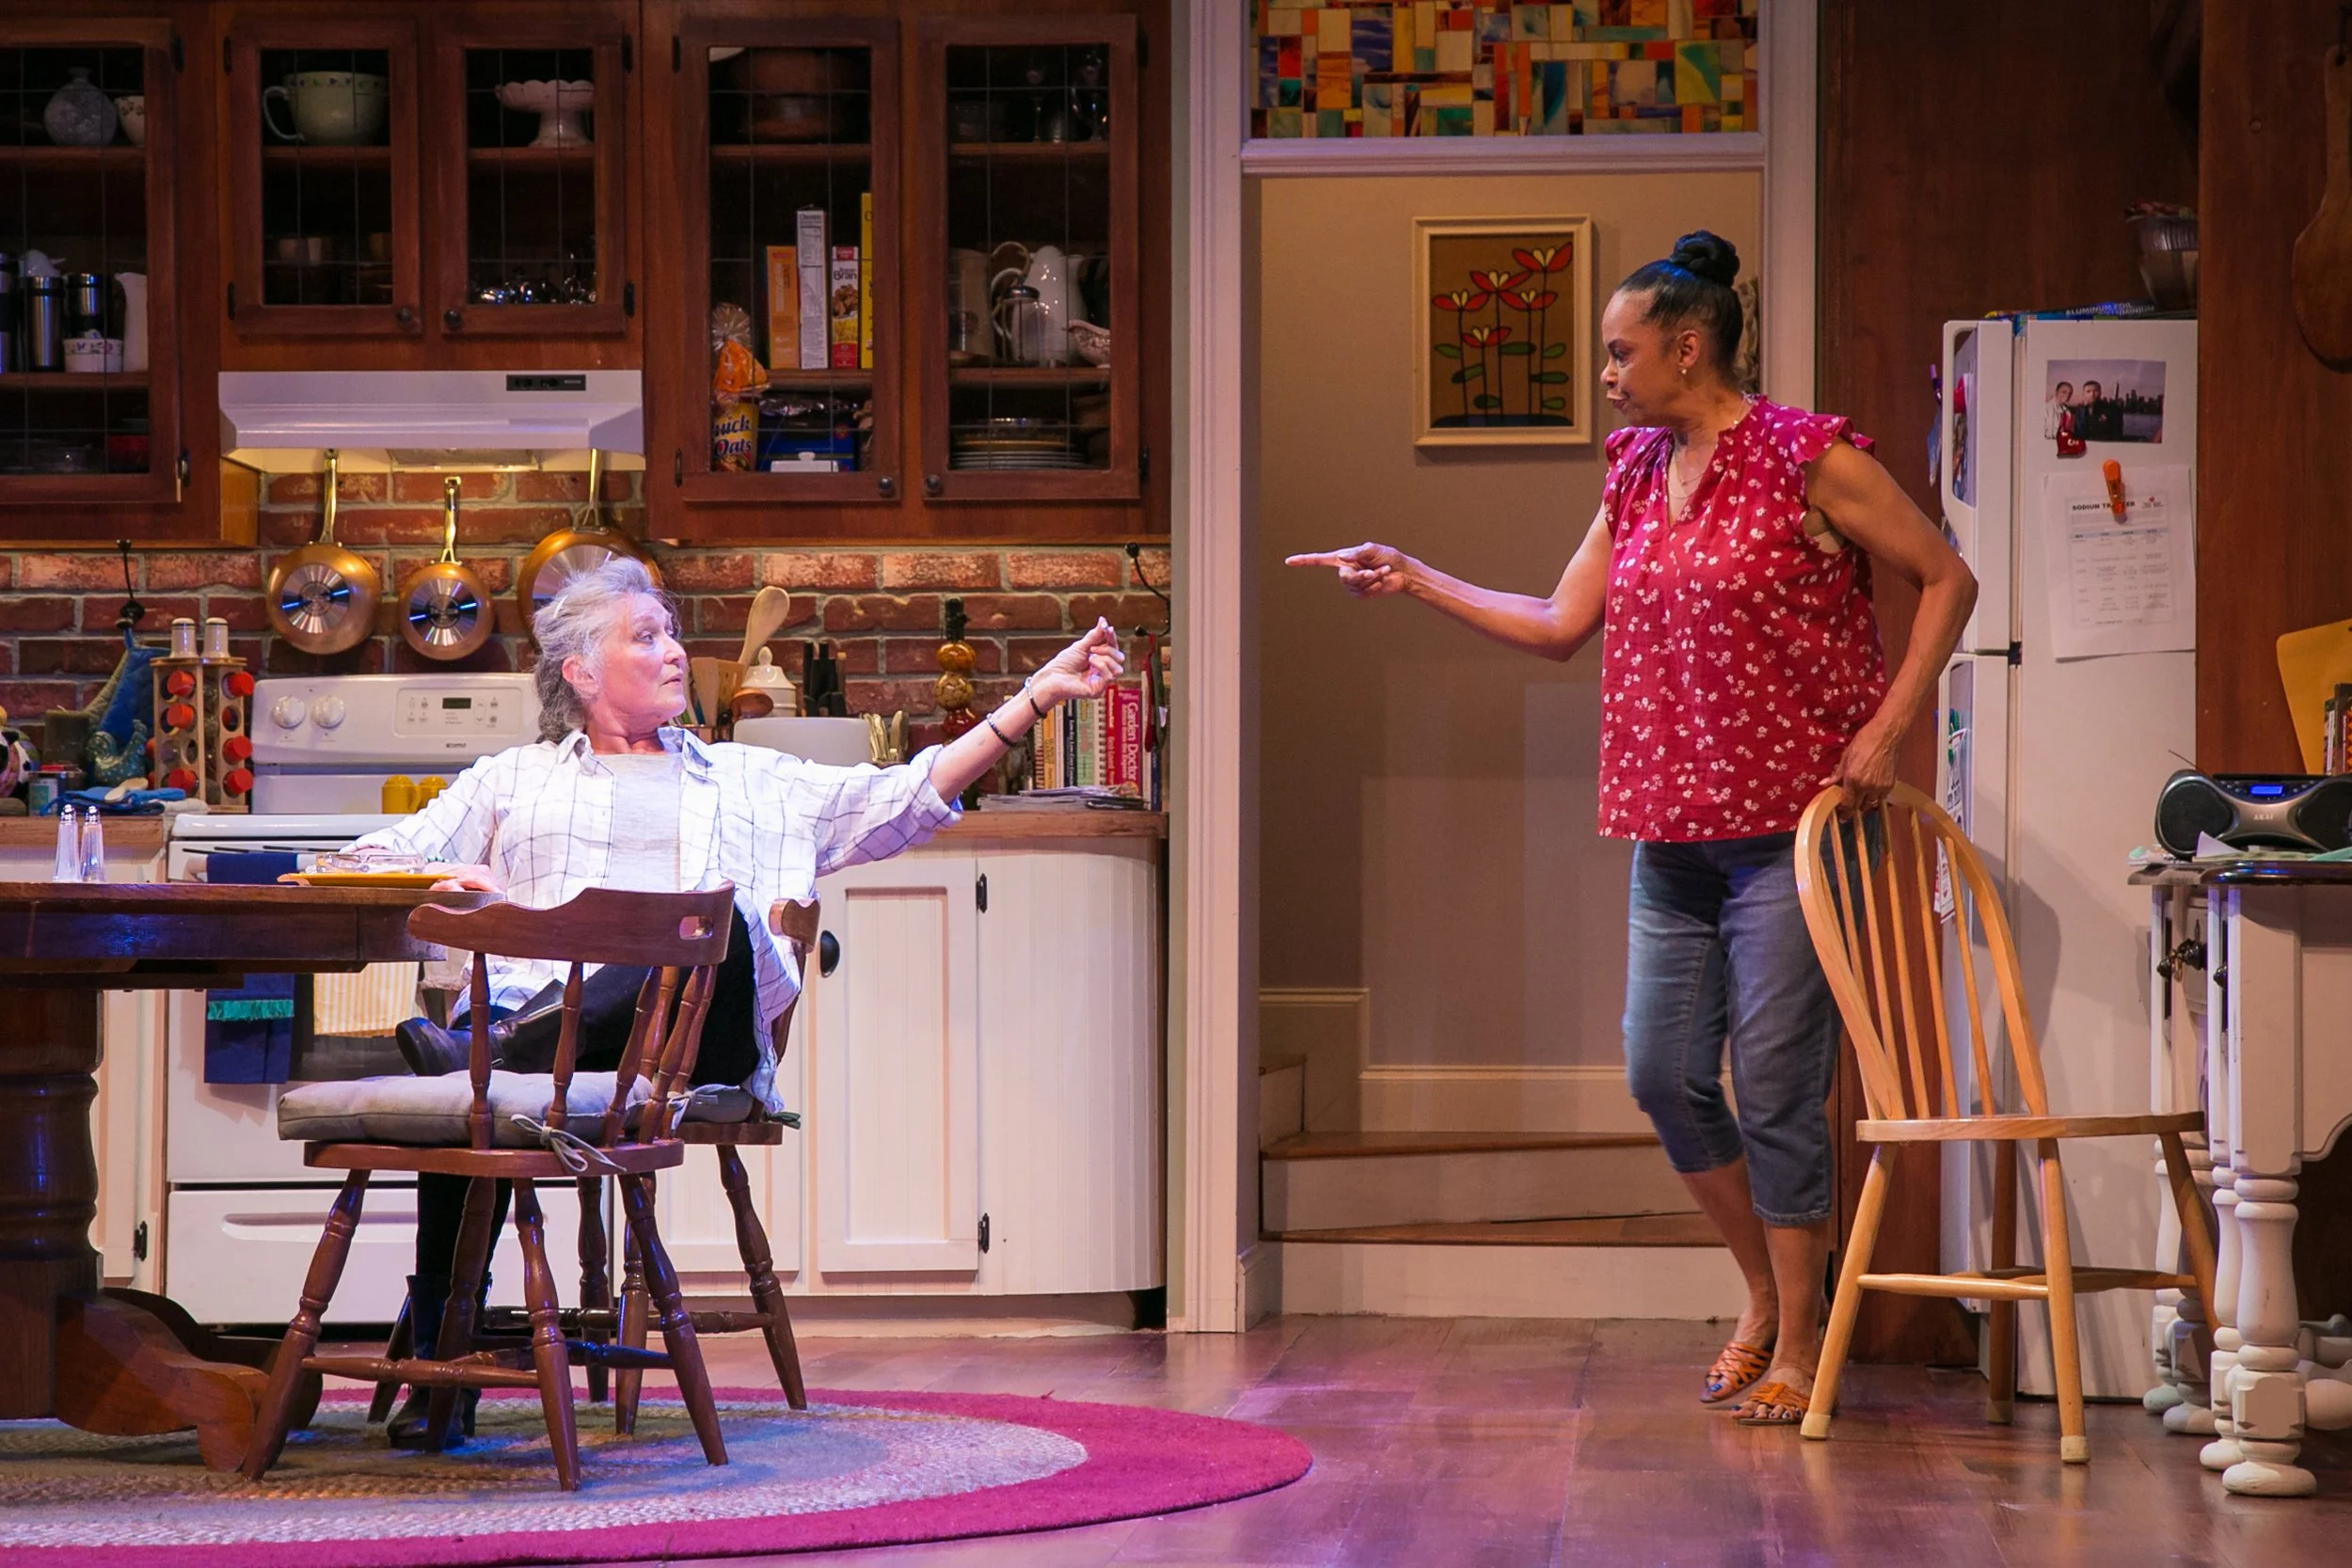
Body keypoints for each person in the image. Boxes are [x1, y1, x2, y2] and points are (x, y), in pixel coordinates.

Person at [1287, 231, 1977, 1428]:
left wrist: (1887, 729)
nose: (1607, 374)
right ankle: (1764, 1290)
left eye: (1620, 352)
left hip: (1791, 830)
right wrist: (1414, 576)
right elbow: (1561, 621)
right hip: (1674, 831)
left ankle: (1804, 1341)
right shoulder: (1632, 470)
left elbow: (1944, 576)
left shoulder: (1802, 455)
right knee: (1660, 1070)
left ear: (1686, 345)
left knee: (1773, 1083)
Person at [351, 558, 1124, 1445]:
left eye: (672, 631)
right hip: (545, 1039)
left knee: (700, 924)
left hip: (688, 1042)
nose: (675, 650)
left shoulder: (749, 778)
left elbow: (907, 793)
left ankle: (497, 1053)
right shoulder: (510, 779)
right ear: (581, 672)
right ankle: (444, 1379)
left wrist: (1031, 697)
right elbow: (374, 857)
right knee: (475, 1103)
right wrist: (455, 872)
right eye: (646, 636)